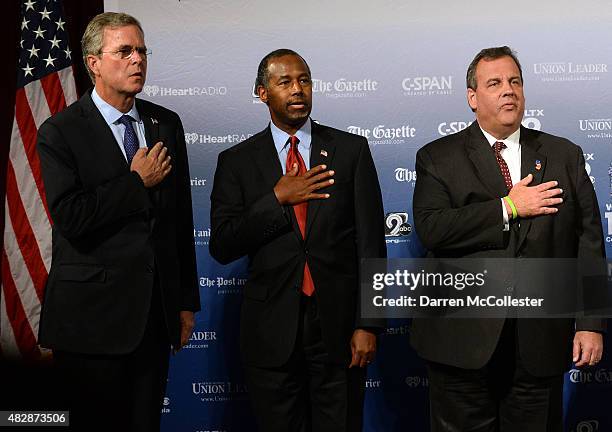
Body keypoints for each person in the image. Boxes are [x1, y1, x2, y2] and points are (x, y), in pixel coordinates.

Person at [411, 46, 606, 431]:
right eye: (495, 83)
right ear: (472, 97)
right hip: (460, 345)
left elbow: (588, 242)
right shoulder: (437, 157)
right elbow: (432, 228)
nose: (508, 91)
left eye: (515, 81)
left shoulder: (563, 155)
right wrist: (508, 207)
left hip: (538, 343)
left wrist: (590, 323)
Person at [36, 12, 199, 431]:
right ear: (93, 62)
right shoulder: (60, 131)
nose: (138, 60)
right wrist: (134, 183)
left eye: (142, 51)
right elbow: (72, 217)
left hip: (152, 318)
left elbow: (179, 219)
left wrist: (184, 302)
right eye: (124, 51)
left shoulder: (166, 123)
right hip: (91, 323)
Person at [209, 49, 386, 432]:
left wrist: (368, 324)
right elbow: (222, 245)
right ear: (262, 92)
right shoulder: (236, 162)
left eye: (304, 80)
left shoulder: (350, 151)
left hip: (339, 331)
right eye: (284, 82)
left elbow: (372, 246)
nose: (297, 90)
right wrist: (275, 200)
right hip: (270, 332)